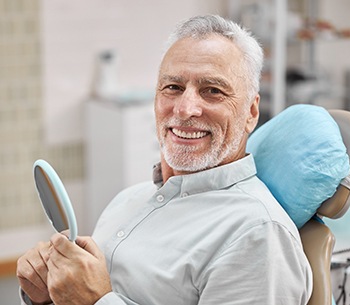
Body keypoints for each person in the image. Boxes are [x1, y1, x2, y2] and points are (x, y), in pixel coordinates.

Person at [17, 15, 312, 305]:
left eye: (212, 91)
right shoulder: (127, 200)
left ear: (250, 112)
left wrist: (96, 301)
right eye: (173, 87)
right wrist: (49, 294)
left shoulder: (257, 235)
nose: (185, 109)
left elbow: (92, 297)